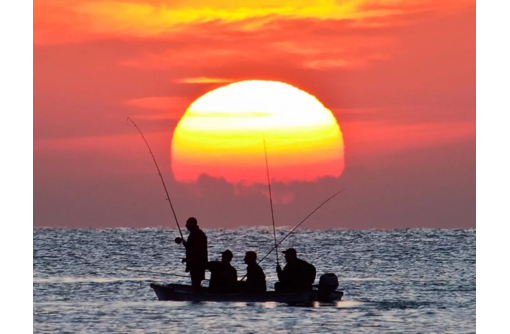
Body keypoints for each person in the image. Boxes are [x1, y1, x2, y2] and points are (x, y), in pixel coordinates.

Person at [175, 217, 208, 292]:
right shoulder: (199, 234)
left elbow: (193, 251)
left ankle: (197, 296)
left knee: (195, 284)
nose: (186, 226)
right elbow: (192, 249)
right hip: (200, 264)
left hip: (197, 265)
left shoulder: (194, 235)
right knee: (197, 283)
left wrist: (188, 263)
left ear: (192, 224)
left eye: (187, 224)